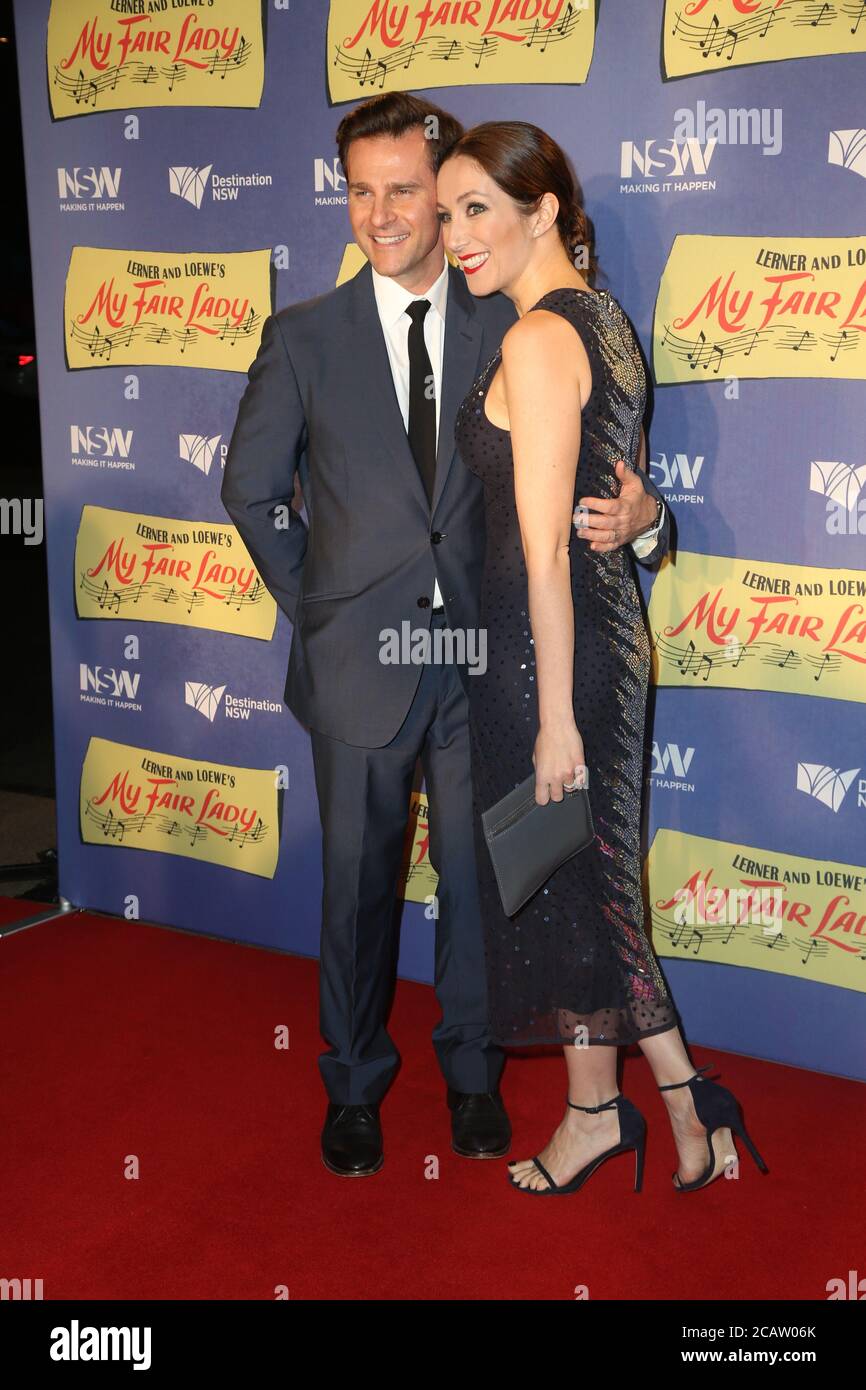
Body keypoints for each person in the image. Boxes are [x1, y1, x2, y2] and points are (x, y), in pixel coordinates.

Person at [220, 94, 670, 1179]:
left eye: (404, 190)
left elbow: (587, 478)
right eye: (358, 190)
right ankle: (355, 1083)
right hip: (357, 664)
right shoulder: (302, 336)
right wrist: (320, 610)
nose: (380, 214)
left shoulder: (507, 317)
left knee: (478, 881)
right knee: (357, 884)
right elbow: (248, 490)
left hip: (483, 660)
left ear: (445, 193)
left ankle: (472, 1076)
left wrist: (648, 518)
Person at [438, 121, 767, 1195]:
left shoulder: (535, 342)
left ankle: (683, 1096)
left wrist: (552, 719)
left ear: (543, 209)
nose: (454, 236)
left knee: (587, 891)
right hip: (589, 634)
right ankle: (596, 1112)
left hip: (552, 655)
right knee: (576, 890)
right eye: (445, 215)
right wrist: (643, 518)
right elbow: (606, 503)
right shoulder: (602, 322)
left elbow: (539, 550)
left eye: (476, 207)